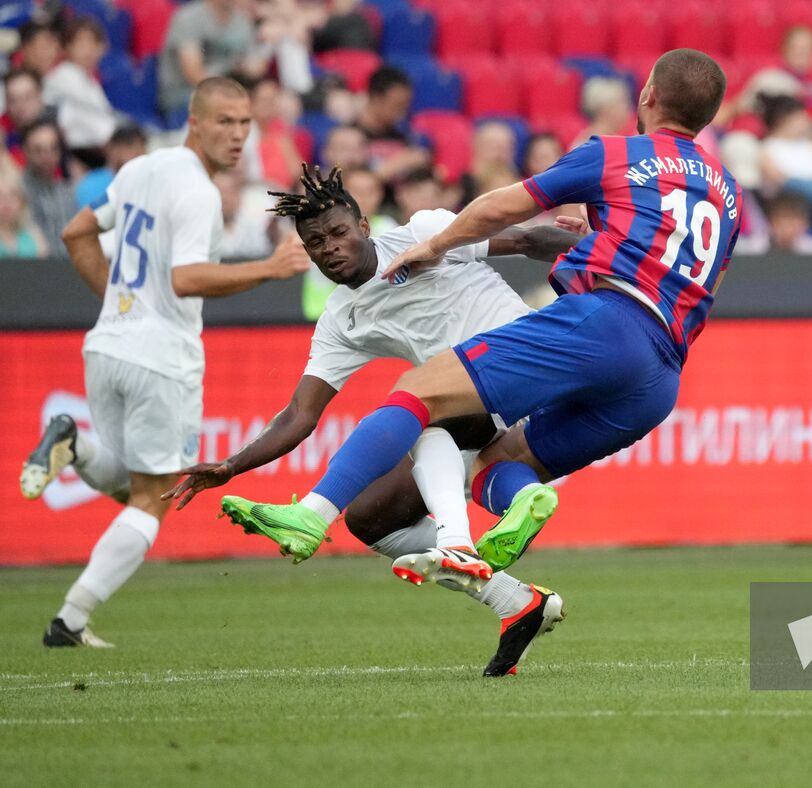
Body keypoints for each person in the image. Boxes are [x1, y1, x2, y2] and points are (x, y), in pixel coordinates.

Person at [217, 51, 742, 677]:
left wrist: (436, 244)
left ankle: (319, 515)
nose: (330, 248)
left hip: (603, 323)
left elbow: (504, 212)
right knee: (479, 468)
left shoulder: (616, 152)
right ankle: (508, 564)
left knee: (419, 391)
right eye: (317, 243)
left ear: (648, 93)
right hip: (660, 374)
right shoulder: (727, 190)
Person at [163, 164, 580, 673]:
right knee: (370, 518)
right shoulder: (342, 319)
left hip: (526, 359)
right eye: (316, 243)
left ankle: (454, 542)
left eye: (338, 232)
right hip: (477, 402)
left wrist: (586, 240)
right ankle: (515, 601)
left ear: (364, 226)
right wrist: (231, 465)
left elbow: (524, 239)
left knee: (420, 408)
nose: (330, 248)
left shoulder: (424, 233)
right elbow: (300, 413)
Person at [19, 78, 311, 648]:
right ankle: (69, 622)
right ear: (194, 121)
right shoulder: (198, 192)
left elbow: (78, 231)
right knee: (152, 500)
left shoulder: (139, 171)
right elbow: (185, 279)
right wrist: (269, 269)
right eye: (224, 121)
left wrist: (117, 303)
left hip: (107, 346)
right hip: (161, 358)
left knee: (133, 485)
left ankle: (69, 444)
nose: (237, 134)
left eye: (245, 122)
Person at [158, 0, 259, 115]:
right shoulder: (188, 18)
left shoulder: (242, 22)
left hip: (227, 89)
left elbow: (253, 68)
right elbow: (194, 75)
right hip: (184, 94)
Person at [42, 15, 115, 162]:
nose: (88, 50)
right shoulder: (63, 75)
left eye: (93, 43)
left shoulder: (91, 82)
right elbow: (96, 123)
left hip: (97, 148)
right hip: (76, 152)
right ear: (67, 47)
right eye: (81, 44)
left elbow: (105, 117)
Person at [355, 66, 432, 181]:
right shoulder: (350, 135)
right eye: (397, 105)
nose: (403, 112)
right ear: (376, 98)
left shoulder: (405, 136)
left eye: (406, 105)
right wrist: (388, 169)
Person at [18, 119, 76, 257]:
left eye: (53, 148)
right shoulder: (17, 191)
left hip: (65, 269)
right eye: (38, 150)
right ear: (25, 151)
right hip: (26, 270)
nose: (47, 156)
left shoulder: (68, 192)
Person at [75, 123, 147, 209]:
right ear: (112, 148)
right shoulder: (90, 185)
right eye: (129, 146)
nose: (136, 153)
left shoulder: (145, 183)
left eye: (141, 148)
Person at [0, 171, 48, 257]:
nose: (7, 202)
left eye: (13, 195)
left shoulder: (35, 237)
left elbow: (44, 268)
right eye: (1, 196)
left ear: (22, 202)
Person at [3, 68, 49, 155]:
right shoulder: (3, 138)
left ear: (40, 96)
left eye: (27, 98)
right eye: (13, 100)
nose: (20, 106)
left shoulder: (56, 130)